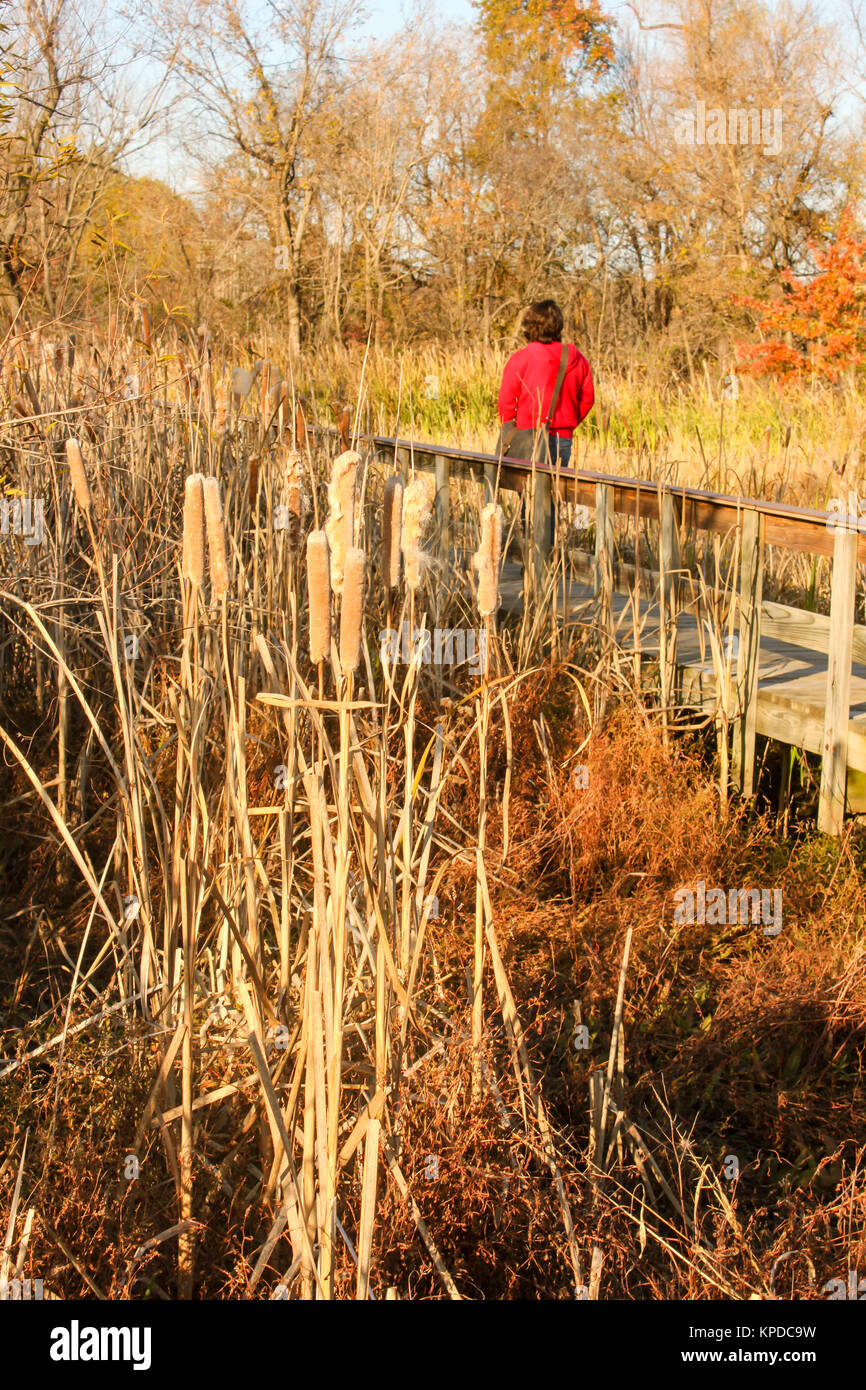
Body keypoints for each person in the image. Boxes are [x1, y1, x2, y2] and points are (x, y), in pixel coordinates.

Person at [498, 298, 594, 539]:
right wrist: (568, 422)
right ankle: (547, 550)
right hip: (562, 438)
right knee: (554, 496)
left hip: (529, 435)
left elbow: (506, 400)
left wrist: (512, 428)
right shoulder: (576, 358)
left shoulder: (522, 358)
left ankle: (531, 554)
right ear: (558, 325)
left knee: (527, 495)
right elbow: (588, 398)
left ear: (531, 326)